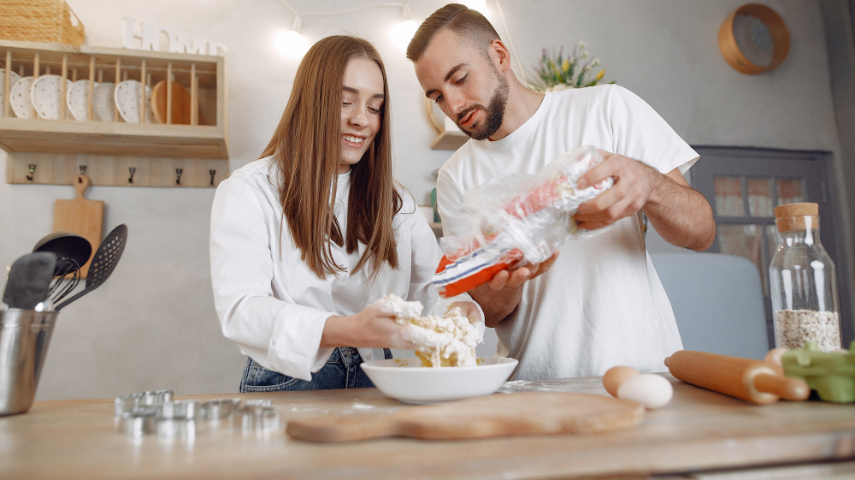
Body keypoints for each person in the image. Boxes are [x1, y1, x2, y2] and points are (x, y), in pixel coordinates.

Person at [407, 4, 716, 380]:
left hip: (643, 372)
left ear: (499, 55)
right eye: (437, 96)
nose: (453, 105)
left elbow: (701, 233)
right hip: (536, 387)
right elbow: (490, 314)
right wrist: (511, 274)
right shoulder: (455, 176)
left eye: (460, 78)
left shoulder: (606, 109)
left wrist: (648, 184)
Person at [210, 35, 482, 392]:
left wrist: (459, 309)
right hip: (292, 379)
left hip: (379, 373)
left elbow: (437, 286)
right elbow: (242, 311)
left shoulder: (395, 201)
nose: (361, 120)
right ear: (310, 103)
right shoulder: (250, 191)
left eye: (374, 107)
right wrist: (348, 330)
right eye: (345, 102)